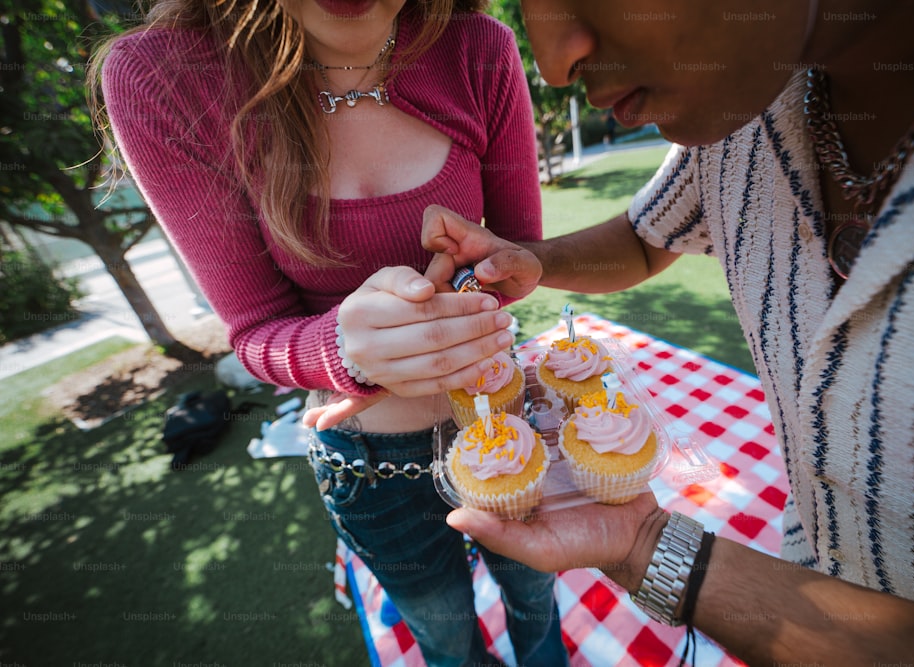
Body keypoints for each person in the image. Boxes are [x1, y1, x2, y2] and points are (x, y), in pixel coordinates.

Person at [394, 0, 914, 664]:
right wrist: (534, 258)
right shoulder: (742, 111)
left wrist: (652, 546)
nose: (555, 60)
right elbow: (647, 236)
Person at [90, 1, 568, 665]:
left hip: (502, 418)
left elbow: (522, 251)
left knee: (537, 606)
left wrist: (484, 269)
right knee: (449, 642)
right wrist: (341, 350)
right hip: (368, 468)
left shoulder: (480, 46)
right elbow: (254, 332)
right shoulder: (163, 76)